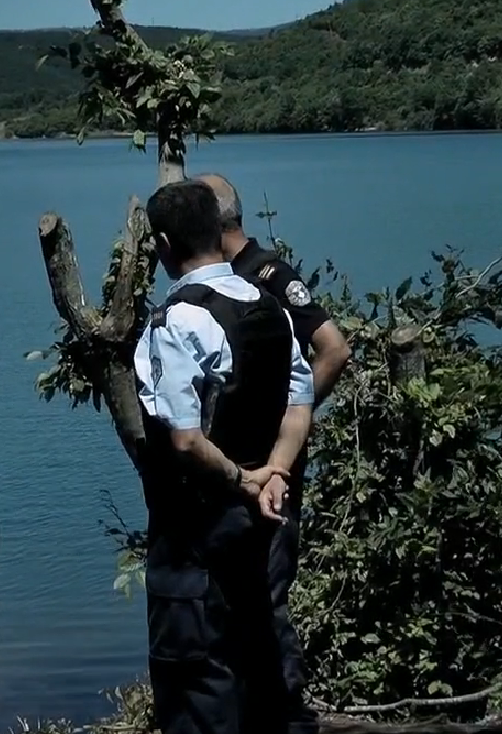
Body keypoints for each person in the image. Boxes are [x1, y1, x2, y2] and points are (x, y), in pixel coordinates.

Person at [135, 179, 316, 734]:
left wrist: (243, 478)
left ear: (164, 245)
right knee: (259, 660)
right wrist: (277, 471)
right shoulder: (270, 307)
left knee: (197, 683)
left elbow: (185, 439)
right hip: (262, 521)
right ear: (219, 231)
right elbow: (299, 402)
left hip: (198, 531)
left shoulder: (177, 320)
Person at [196, 172, 350, 732]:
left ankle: (286, 714)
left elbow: (332, 349)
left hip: (272, 469)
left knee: (266, 591)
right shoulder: (223, 279)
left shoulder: (267, 276)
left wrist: (287, 421)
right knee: (235, 595)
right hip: (238, 472)